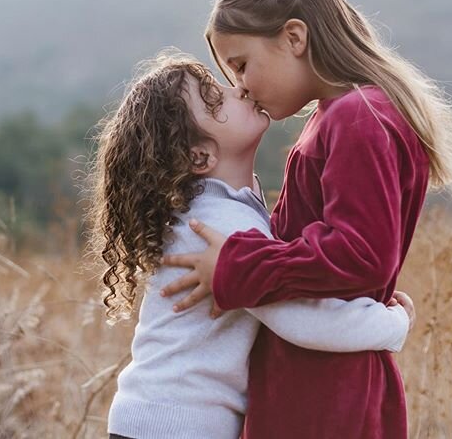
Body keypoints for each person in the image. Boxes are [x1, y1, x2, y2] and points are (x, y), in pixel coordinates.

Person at [160, 0, 452, 438]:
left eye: (242, 65)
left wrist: (239, 266)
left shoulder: (357, 116)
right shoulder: (340, 116)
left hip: (323, 389)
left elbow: (360, 256)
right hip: (322, 371)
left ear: (293, 37)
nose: (240, 88)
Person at [84, 51, 416, 439]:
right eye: (214, 99)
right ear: (200, 155)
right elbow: (301, 319)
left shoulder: (230, 211)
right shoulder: (218, 225)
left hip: (159, 419)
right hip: (175, 425)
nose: (238, 89)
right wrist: (392, 325)